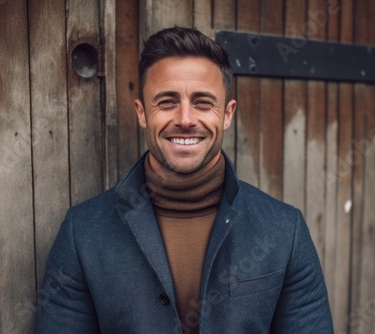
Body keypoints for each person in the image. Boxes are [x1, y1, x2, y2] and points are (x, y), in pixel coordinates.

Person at [35, 26, 333, 333]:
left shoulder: (285, 231)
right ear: (142, 113)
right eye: (166, 102)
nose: (186, 119)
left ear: (227, 114)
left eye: (203, 102)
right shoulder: (82, 232)